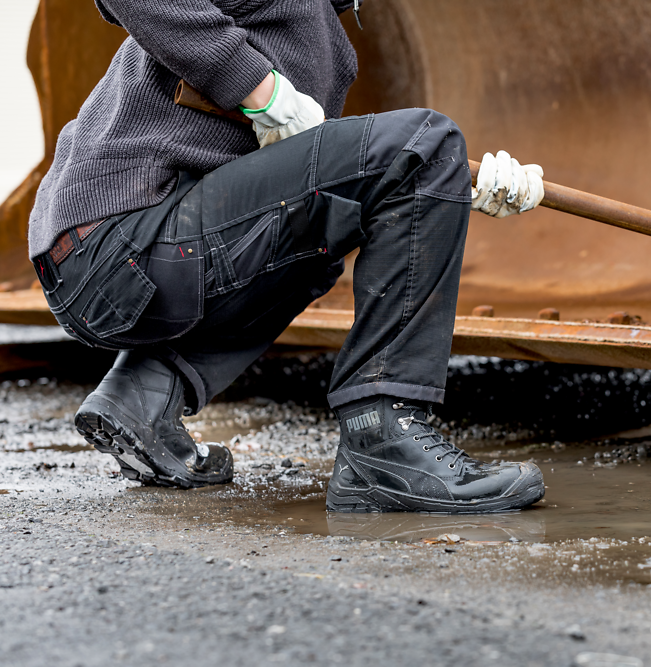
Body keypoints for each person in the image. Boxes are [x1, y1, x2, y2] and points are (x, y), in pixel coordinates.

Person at [28, 0, 546, 513]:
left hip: (110, 262)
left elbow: (340, 180)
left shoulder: (323, 37)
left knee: (324, 230)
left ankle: (145, 392)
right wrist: (259, 87)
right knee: (423, 144)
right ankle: (384, 436)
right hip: (118, 244)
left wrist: (447, 182)